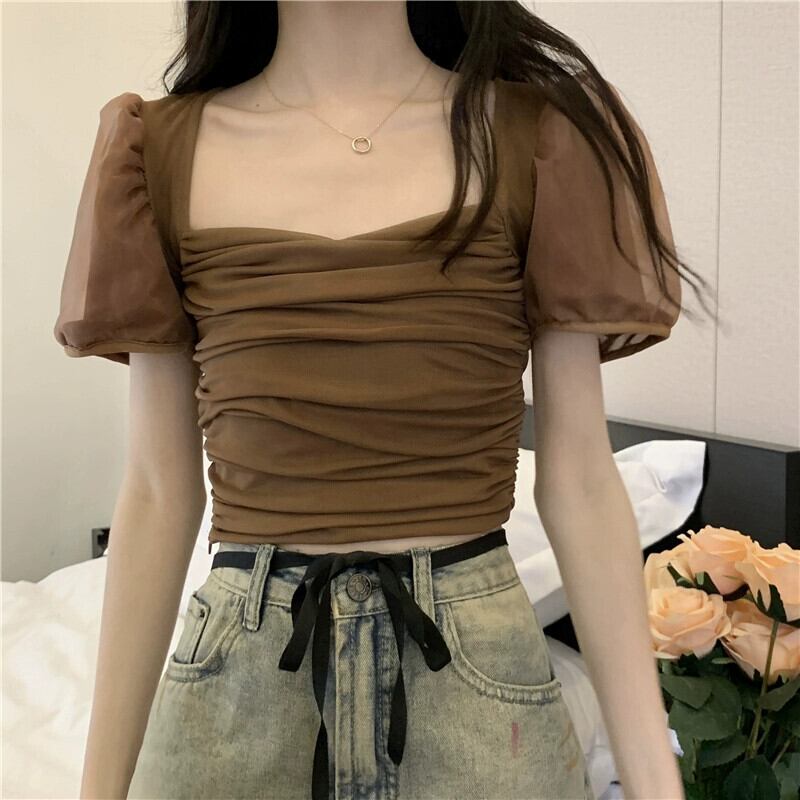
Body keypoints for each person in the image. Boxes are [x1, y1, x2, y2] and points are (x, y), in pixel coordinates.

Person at [54, 2, 710, 799]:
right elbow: (159, 490)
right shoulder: (156, 154)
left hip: (478, 701)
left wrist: (655, 781)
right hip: (237, 691)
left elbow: (579, 479)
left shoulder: (540, 139)